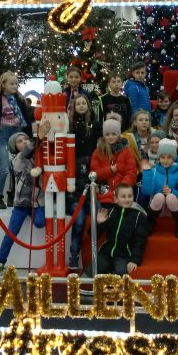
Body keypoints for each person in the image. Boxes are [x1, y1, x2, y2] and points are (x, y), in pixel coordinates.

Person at [0, 133, 45, 275]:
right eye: (20, 141)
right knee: (11, 232)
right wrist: (38, 138)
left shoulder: (38, 156)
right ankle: (0, 261)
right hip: (22, 203)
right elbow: (26, 153)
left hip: (38, 202)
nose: (24, 142)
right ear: (14, 147)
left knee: (40, 222)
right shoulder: (18, 159)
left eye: (26, 139)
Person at [0, 71, 31, 209]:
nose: (15, 86)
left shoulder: (20, 100)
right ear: (3, 85)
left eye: (16, 83)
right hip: (3, 135)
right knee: (4, 167)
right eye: (12, 83)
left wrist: (29, 136)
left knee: (15, 167)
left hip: (17, 134)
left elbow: (27, 117)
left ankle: (12, 194)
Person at [67, 95, 101, 270]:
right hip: (75, 178)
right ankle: (73, 256)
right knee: (79, 220)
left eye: (83, 103)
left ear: (88, 105)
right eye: (78, 103)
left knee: (101, 215)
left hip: (92, 169)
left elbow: (99, 147)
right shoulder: (70, 125)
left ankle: (100, 256)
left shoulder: (95, 124)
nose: (81, 106)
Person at [90, 183, 149, 276]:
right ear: (116, 198)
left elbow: (140, 241)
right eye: (123, 196)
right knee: (93, 270)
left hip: (123, 255)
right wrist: (99, 223)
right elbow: (92, 234)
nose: (127, 199)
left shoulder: (139, 216)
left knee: (121, 272)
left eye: (130, 196)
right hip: (106, 252)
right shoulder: (110, 212)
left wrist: (134, 260)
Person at [91, 118, 139, 216]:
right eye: (107, 134)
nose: (110, 137)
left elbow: (131, 172)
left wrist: (121, 189)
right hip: (104, 195)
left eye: (113, 134)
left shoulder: (127, 151)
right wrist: (110, 170)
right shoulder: (98, 151)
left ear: (118, 135)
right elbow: (94, 174)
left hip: (123, 195)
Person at [141, 138, 178, 235]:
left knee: (170, 197)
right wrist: (147, 173)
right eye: (162, 157)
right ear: (158, 158)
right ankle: (150, 223)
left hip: (175, 206)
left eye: (169, 157)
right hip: (157, 206)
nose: (165, 160)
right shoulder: (154, 170)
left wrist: (172, 191)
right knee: (159, 196)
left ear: (174, 158)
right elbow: (147, 191)